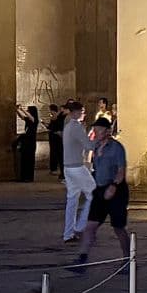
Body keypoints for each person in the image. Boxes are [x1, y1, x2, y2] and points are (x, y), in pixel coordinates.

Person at [73, 118, 129, 268]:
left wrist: (114, 186)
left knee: (118, 227)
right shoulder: (97, 147)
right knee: (90, 225)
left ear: (107, 131)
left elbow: (121, 170)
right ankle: (82, 258)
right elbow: (96, 169)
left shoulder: (117, 148)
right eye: (95, 129)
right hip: (99, 189)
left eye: (99, 130)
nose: (96, 132)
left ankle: (128, 258)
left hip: (116, 190)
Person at [59, 98, 93, 242]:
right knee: (94, 194)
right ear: (77, 112)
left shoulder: (67, 126)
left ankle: (68, 233)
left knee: (72, 199)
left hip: (68, 167)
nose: (84, 114)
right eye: (82, 112)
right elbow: (88, 145)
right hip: (77, 167)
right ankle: (80, 226)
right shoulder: (77, 127)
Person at [15, 104, 40, 183]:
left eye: (29, 110)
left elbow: (30, 117)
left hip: (31, 142)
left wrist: (22, 109)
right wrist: (16, 110)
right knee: (24, 159)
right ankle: (23, 177)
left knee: (29, 160)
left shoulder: (34, 120)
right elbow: (22, 116)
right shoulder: (28, 120)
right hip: (26, 141)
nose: (27, 112)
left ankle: (29, 177)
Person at [45, 103, 66, 178]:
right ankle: (61, 171)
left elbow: (57, 124)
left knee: (61, 155)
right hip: (54, 137)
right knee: (57, 155)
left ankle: (63, 172)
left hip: (59, 138)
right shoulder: (59, 117)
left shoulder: (62, 117)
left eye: (62, 109)